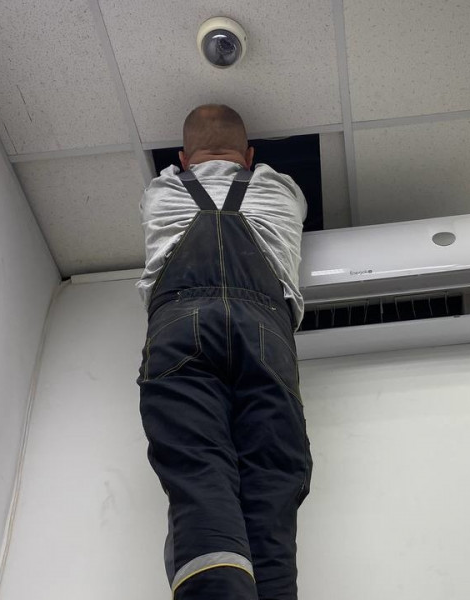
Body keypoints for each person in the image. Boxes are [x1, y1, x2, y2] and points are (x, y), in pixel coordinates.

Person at [135, 104, 312, 600]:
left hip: (180, 327)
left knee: (199, 471)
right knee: (271, 487)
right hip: (265, 332)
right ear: (250, 157)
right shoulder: (280, 190)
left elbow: (172, 186)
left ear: (182, 158)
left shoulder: (162, 192)